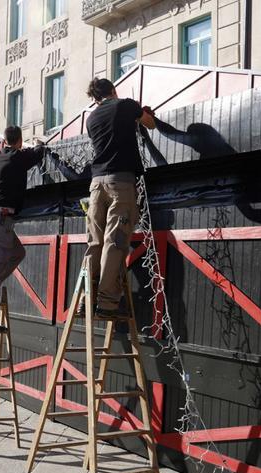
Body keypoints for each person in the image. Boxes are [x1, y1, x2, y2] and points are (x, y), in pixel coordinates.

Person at [83, 77, 156, 318]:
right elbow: (150, 123)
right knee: (114, 242)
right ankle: (107, 303)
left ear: (95, 97)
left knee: (95, 243)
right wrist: (142, 112)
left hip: (96, 185)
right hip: (120, 183)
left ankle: (86, 298)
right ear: (113, 91)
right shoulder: (125, 105)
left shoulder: (91, 118)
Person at [0, 126, 46, 332]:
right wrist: (39, 143)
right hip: (1, 218)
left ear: (4, 141)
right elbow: (39, 151)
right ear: (20, 141)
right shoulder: (18, 157)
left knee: (18, 254)